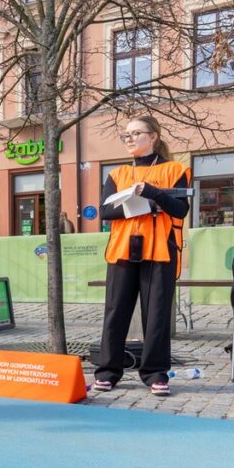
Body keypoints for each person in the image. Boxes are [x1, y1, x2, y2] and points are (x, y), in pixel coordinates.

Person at [92, 116, 190, 397]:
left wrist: (153, 193)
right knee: (115, 313)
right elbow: (107, 211)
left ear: (154, 136)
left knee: (156, 315)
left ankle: (156, 374)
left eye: (136, 133)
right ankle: (108, 372)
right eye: (126, 135)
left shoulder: (176, 170)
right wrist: (150, 205)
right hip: (122, 249)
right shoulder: (117, 174)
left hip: (161, 250)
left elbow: (180, 209)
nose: (130, 139)